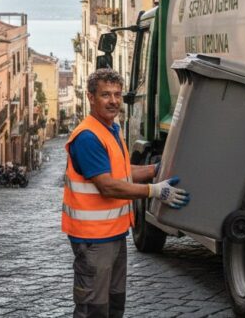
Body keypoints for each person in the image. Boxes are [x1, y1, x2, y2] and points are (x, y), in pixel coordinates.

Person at [62, 68, 189, 318]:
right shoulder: (88, 137)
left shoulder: (111, 128)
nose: (113, 101)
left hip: (114, 234)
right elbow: (108, 185)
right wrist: (154, 191)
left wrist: (154, 170)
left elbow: (122, 171)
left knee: (114, 304)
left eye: (117, 94)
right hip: (94, 239)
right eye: (105, 95)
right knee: (94, 309)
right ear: (90, 97)